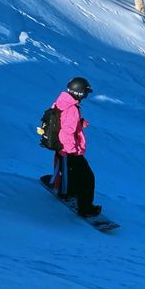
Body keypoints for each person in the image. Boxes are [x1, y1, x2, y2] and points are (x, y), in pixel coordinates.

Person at [48, 77, 101, 217]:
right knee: (87, 178)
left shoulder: (62, 102)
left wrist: (79, 123)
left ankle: (68, 192)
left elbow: (63, 122)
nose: (86, 96)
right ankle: (85, 208)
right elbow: (66, 132)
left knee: (70, 173)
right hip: (68, 150)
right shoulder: (72, 109)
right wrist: (73, 151)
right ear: (79, 93)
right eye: (85, 93)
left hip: (61, 148)